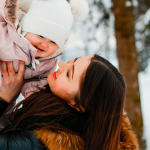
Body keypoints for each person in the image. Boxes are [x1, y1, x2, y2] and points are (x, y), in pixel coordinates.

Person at [0, 55, 139, 150]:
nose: (61, 65)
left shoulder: (38, 143)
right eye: (73, 61)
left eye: (68, 74)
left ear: (78, 106)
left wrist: (4, 98)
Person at [0, 0, 89, 129]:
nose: (44, 44)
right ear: (25, 27)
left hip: (5, 104)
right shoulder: (6, 37)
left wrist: (32, 94)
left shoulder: (48, 62)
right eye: (40, 35)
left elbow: (38, 80)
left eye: (53, 41)